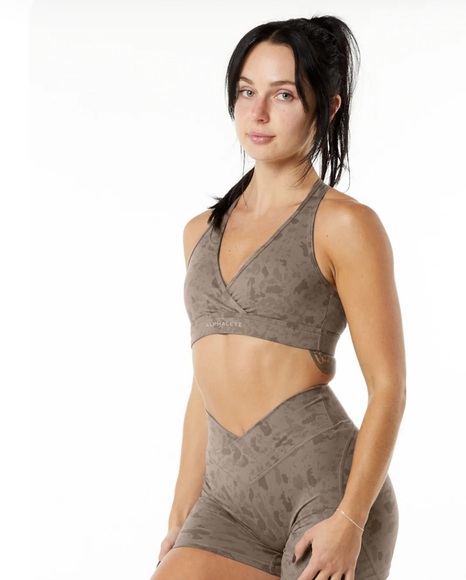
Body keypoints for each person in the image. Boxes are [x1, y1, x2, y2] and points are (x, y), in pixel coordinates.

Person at [152, 15, 406, 580]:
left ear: (328, 108)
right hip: (225, 504)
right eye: (247, 92)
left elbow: (388, 386)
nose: (258, 113)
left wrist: (351, 519)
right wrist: (179, 516)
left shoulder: (345, 225)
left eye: (284, 95)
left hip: (327, 496)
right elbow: (203, 385)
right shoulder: (199, 233)